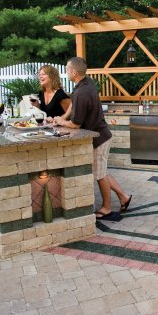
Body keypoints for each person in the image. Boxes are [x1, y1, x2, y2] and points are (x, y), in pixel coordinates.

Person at [54, 57, 131, 219]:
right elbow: (74, 104)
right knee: (101, 171)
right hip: (101, 135)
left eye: (67, 69)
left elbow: (75, 124)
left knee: (100, 175)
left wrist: (62, 122)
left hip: (99, 138)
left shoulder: (82, 92)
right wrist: (61, 117)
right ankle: (124, 196)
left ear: (74, 72)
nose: (66, 71)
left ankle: (106, 208)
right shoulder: (86, 83)